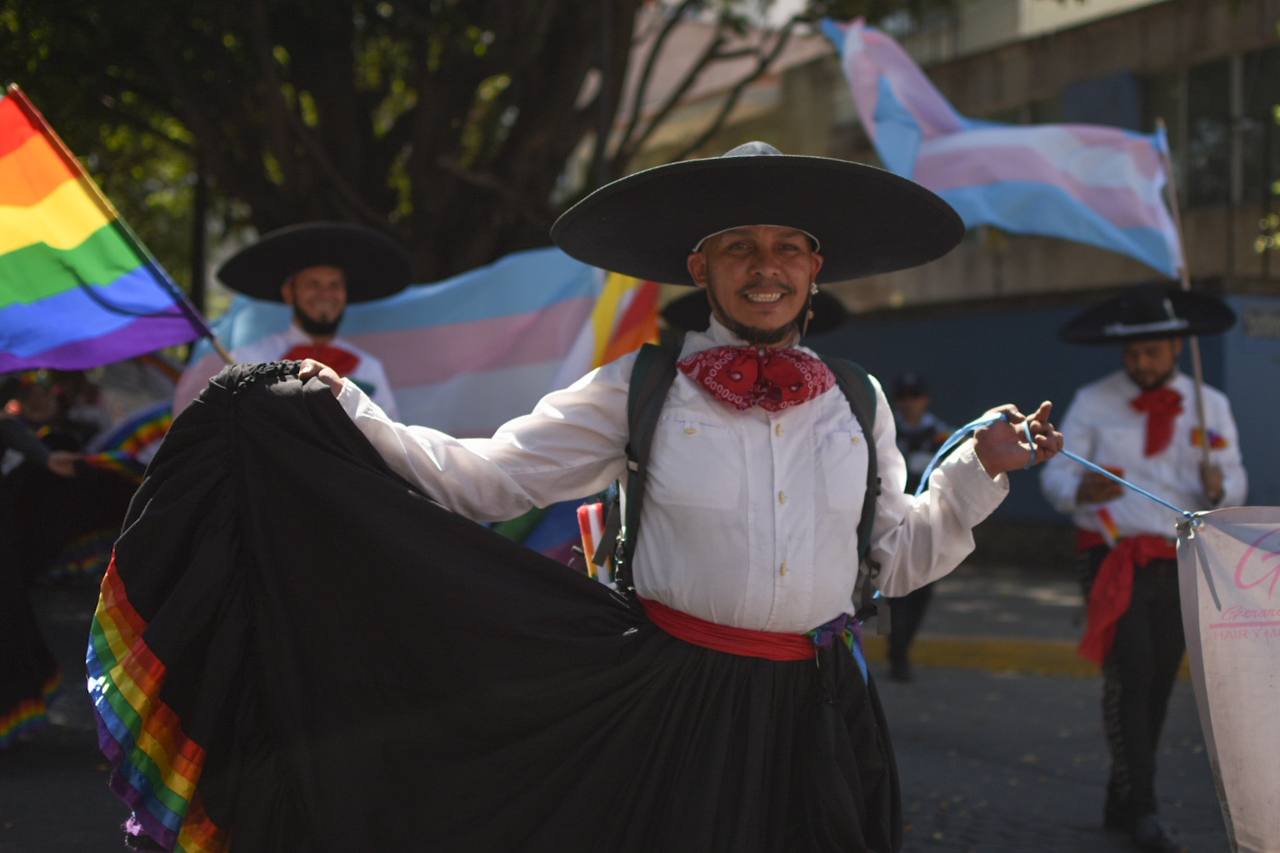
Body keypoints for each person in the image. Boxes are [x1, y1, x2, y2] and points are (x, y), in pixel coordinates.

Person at [95, 142, 1062, 852]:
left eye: (786, 248)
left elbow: (892, 555)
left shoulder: (860, 398)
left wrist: (978, 474)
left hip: (820, 715)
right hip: (675, 705)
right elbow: (485, 479)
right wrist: (339, 401)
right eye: (739, 248)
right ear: (701, 267)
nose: (765, 267)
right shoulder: (636, 387)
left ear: (814, 267)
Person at [1040, 285, 1245, 853]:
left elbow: (1236, 481)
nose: (1140, 362)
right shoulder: (1092, 401)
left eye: (1151, 351)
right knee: (1129, 677)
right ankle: (1145, 809)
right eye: (1131, 353)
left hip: (1182, 557)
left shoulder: (1212, 405)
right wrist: (1079, 485)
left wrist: (1219, 486)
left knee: (1157, 681)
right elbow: (1055, 480)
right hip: (1113, 554)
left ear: (1176, 346)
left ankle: (1122, 792)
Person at [172, 221, 411, 418]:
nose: (325, 294)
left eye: (334, 285)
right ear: (289, 293)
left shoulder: (368, 368)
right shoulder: (249, 362)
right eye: (313, 285)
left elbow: (387, 437)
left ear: (345, 294)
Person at [884, 372, 952, 682]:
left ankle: (901, 647)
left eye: (916, 396)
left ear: (926, 399)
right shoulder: (885, 431)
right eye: (904, 398)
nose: (910, 404)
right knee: (886, 589)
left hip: (927, 524)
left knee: (921, 590)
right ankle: (892, 649)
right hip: (889, 521)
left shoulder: (942, 436)